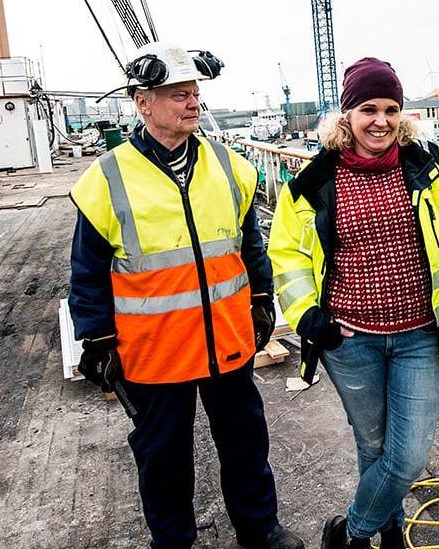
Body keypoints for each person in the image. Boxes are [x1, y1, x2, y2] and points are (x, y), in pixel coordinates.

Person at [268, 58, 439, 549]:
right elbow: (287, 252)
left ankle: (350, 531)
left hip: (419, 334)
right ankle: (390, 534)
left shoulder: (426, 165)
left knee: (410, 455)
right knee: (374, 446)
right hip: (349, 338)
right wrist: (307, 317)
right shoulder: (316, 180)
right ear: (347, 117)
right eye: (368, 109)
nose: (381, 120)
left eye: (392, 109)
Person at [68, 43, 304, 549]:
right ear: (142, 102)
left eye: (195, 93)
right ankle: (171, 541)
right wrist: (97, 340)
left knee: (245, 442)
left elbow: (249, 244)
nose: (192, 103)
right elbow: (86, 271)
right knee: (163, 456)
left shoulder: (229, 165)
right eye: (178, 95)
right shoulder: (108, 178)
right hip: (154, 350)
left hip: (226, 338)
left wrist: (261, 297)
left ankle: (259, 529)